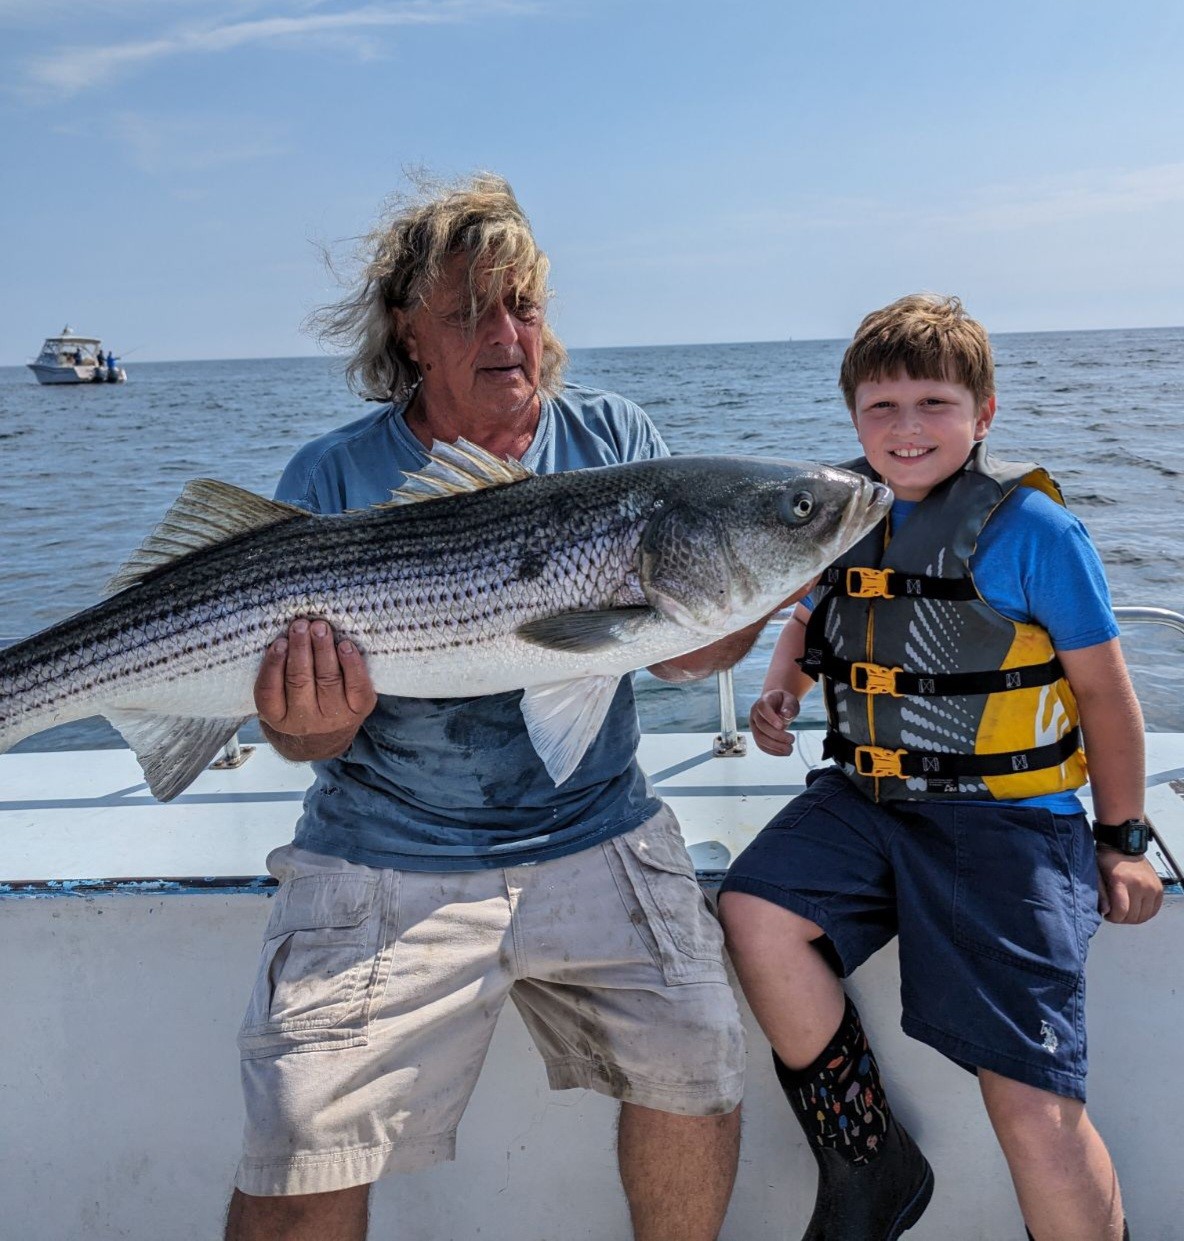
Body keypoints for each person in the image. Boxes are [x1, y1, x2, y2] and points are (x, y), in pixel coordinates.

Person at [224, 172, 783, 1241]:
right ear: (408, 332)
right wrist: (308, 718)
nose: (506, 331)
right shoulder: (335, 473)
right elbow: (307, 740)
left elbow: (677, 661)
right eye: (469, 308)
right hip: (385, 848)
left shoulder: (616, 434)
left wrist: (754, 583)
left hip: (597, 825)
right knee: (301, 1134)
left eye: (522, 304)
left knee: (700, 1060)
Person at [717, 294, 1164, 1241]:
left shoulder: (1036, 531)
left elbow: (1109, 698)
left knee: (1031, 1099)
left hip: (1006, 822)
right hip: (867, 798)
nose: (906, 428)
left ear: (983, 413)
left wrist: (1122, 840)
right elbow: (809, 615)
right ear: (852, 418)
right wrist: (781, 691)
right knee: (754, 910)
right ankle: (867, 1158)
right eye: (882, 407)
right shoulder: (832, 513)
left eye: (933, 403)